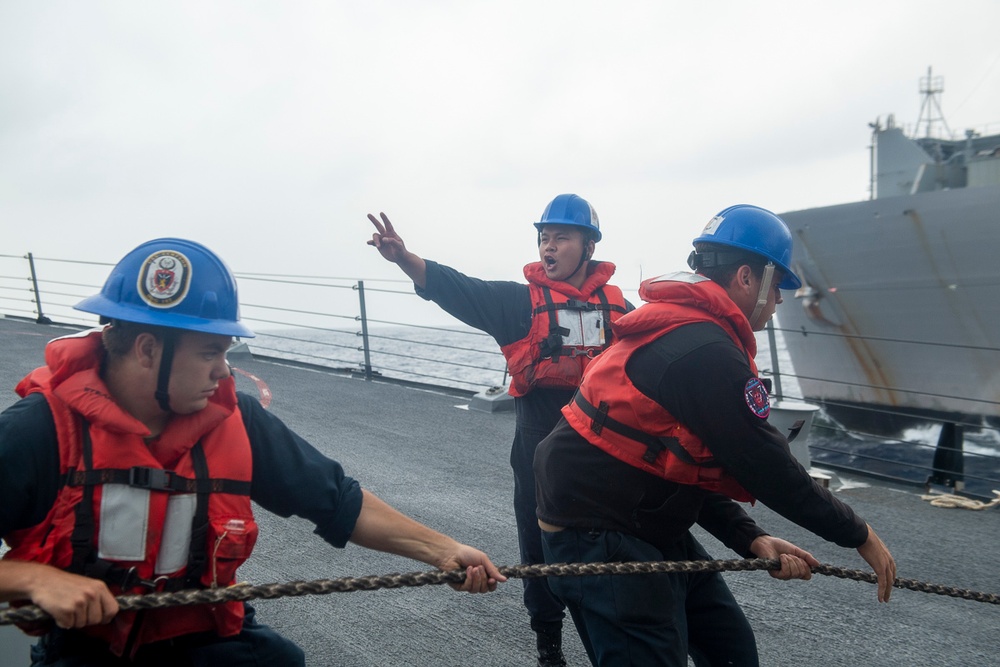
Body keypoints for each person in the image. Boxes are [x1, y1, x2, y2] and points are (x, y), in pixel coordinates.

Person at [0, 238, 505, 666]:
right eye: (210, 353)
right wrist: (34, 579)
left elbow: (337, 500)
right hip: (89, 648)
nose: (224, 372)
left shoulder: (236, 421)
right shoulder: (39, 432)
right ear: (148, 349)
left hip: (203, 635)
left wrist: (444, 551)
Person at [533, 204, 897, 667]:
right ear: (747, 277)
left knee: (731, 652)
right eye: (778, 285)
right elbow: (765, 466)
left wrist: (750, 538)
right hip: (597, 530)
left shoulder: (689, 331)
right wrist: (858, 534)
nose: (780, 299)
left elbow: (675, 457)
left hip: (644, 514)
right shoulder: (704, 350)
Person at [368, 194, 631, 667]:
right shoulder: (517, 304)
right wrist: (405, 259)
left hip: (603, 453)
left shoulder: (621, 310)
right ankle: (549, 647)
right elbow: (459, 287)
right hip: (539, 451)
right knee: (538, 549)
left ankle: (611, 641)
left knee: (609, 549)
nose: (549, 247)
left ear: (588, 246)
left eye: (561, 238)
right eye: (543, 239)